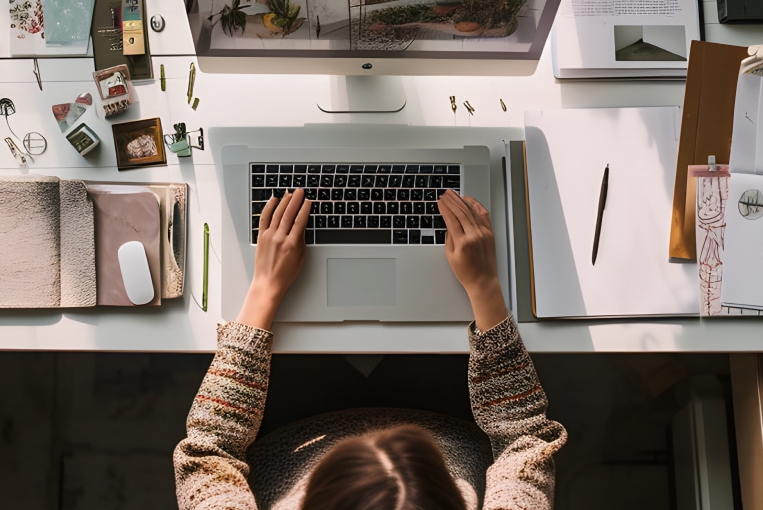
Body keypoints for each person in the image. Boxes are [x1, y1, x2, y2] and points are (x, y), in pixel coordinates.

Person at [174, 188, 567, 509]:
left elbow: (209, 449)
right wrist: (484, 286)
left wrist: (264, 288)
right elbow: (522, 438)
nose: (375, 436)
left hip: (295, 429)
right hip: (441, 415)